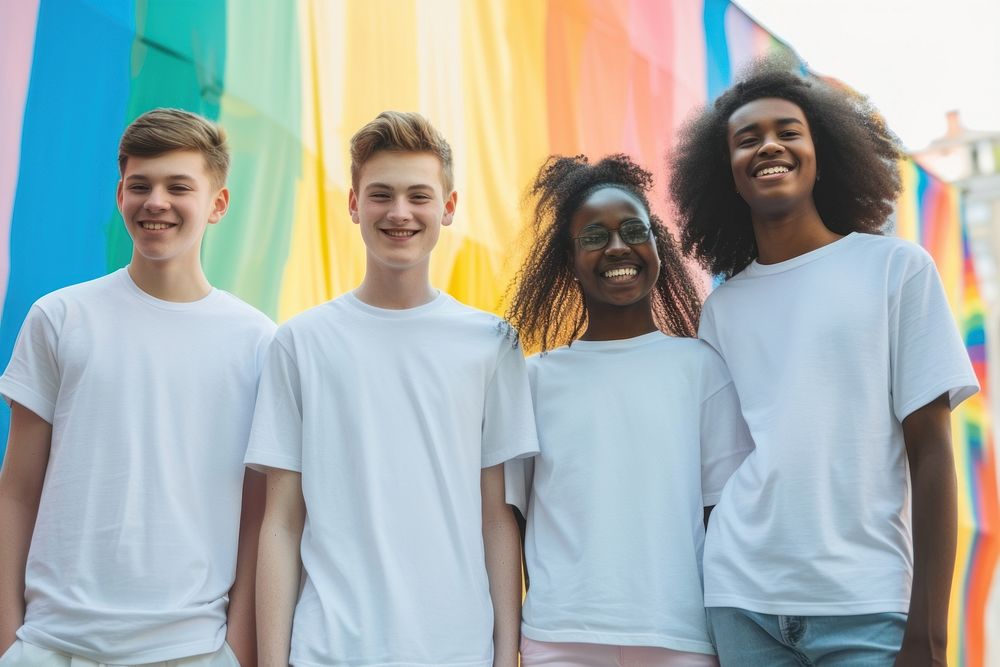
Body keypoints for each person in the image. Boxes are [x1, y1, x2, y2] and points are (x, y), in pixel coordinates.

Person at [669, 57, 979, 666]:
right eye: (746, 139)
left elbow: (934, 454)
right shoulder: (723, 308)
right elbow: (719, 473)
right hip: (740, 601)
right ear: (726, 174)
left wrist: (931, 632)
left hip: (865, 605)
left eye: (789, 131)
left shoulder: (896, 269)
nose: (769, 147)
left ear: (821, 154)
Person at [248, 111, 539, 667]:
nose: (399, 212)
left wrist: (506, 659)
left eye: (419, 196)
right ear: (354, 204)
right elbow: (281, 521)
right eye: (380, 194)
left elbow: (497, 519)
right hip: (326, 650)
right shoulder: (300, 343)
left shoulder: (493, 343)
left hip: (456, 652)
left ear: (448, 208)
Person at [0, 108, 274, 666]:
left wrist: (237, 650)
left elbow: (258, 513)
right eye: (139, 185)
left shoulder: (259, 342)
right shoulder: (60, 317)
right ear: (120, 193)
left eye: (179, 186)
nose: (156, 201)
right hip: (50, 645)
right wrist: (9, 637)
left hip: (189, 649)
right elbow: (17, 490)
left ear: (217, 204)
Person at [504, 154, 753, 667]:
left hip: (680, 639)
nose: (617, 246)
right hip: (559, 639)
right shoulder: (532, 380)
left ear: (657, 248)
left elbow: (723, 519)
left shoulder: (702, 368)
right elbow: (510, 524)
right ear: (569, 261)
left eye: (633, 230)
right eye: (594, 237)